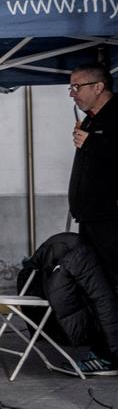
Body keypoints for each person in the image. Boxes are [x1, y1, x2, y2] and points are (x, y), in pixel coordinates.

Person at [68, 62, 118, 372]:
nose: (73, 94)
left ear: (98, 87)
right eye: (70, 88)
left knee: (111, 285)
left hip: (111, 219)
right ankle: (103, 349)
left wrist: (94, 143)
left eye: (77, 87)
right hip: (90, 218)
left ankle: (112, 352)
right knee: (95, 286)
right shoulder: (90, 121)